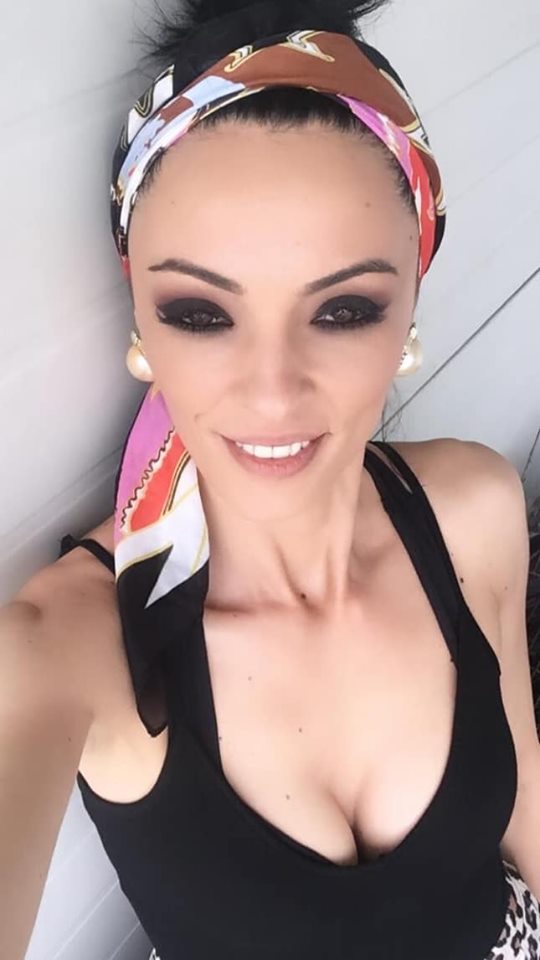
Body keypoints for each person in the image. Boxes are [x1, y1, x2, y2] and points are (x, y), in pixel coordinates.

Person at [1, 1, 539, 958]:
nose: (273, 392)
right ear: (141, 319)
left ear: (412, 304)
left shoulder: (474, 510)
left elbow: (526, 798)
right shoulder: (71, 647)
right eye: (201, 314)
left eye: (344, 309)